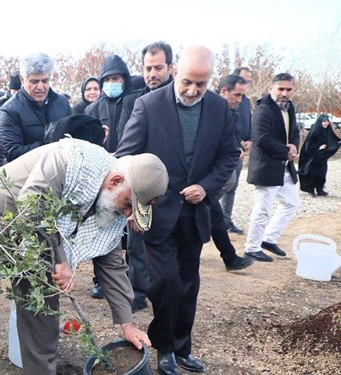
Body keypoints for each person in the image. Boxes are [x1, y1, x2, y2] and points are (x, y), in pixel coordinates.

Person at [0, 139, 163, 374]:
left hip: (42, 238)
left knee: (41, 315)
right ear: (115, 182)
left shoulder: (111, 204)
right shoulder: (68, 161)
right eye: (128, 204)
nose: (126, 214)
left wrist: (127, 324)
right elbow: (31, 207)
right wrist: (60, 259)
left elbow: (112, 263)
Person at [117, 45, 239, 375]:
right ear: (174, 71)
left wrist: (208, 186)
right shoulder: (148, 106)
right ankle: (164, 347)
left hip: (194, 214)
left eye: (200, 84)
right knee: (167, 283)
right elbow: (125, 158)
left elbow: (229, 155)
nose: (192, 91)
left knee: (189, 282)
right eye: (186, 82)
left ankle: (182, 347)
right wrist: (130, 206)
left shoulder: (217, 108)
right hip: (156, 214)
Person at [115, 41, 175, 312]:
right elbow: (127, 145)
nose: (153, 73)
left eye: (158, 68)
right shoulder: (134, 101)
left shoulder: (182, 99)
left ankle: (165, 288)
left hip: (176, 186)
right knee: (137, 241)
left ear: (171, 67)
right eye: (148, 68)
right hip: (142, 185)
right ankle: (138, 290)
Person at [244, 73, 301, 263]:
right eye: (281, 89)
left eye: (289, 89)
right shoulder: (263, 110)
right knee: (262, 209)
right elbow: (262, 139)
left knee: (292, 203)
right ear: (271, 89)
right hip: (267, 167)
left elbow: (294, 132)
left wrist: (294, 145)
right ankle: (252, 248)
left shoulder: (289, 107)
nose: (285, 93)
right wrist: (286, 151)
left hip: (284, 166)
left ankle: (268, 239)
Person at [209, 75, 254, 272]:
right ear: (224, 91)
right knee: (212, 213)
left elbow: (231, 136)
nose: (240, 100)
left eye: (242, 96)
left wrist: (239, 147)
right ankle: (230, 258)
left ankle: (230, 258)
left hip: (210, 178)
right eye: (237, 95)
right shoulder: (207, 110)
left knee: (214, 214)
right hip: (203, 175)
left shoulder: (231, 113)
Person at [0, 52, 71, 162]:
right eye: (34, 81)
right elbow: (12, 153)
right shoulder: (9, 111)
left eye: (45, 81)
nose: (41, 87)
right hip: (29, 176)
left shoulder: (62, 102)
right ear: (22, 80)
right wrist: (47, 144)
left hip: (62, 173)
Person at [221, 67, 254, 234]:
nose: (246, 83)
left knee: (232, 186)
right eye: (244, 80)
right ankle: (209, 216)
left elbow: (248, 122)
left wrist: (250, 140)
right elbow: (228, 129)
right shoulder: (220, 103)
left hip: (240, 149)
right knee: (226, 182)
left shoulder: (245, 101)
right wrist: (237, 144)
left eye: (248, 81)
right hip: (231, 149)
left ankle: (226, 221)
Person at [85, 54, 133, 152]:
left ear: (124, 80)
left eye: (115, 78)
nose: (111, 82)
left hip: (130, 161)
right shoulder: (92, 109)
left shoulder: (135, 102)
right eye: (106, 79)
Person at [299, 115, 341, 196]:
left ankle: (320, 189)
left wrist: (338, 143)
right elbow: (308, 145)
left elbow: (333, 139)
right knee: (312, 173)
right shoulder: (315, 131)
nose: (326, 123)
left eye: (327, 121)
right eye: (324, 122)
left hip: (322, 157)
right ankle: (311, 190)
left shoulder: (327, 130)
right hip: (312, 157)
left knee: (321, 173)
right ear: (320, 122)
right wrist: (318, 147)